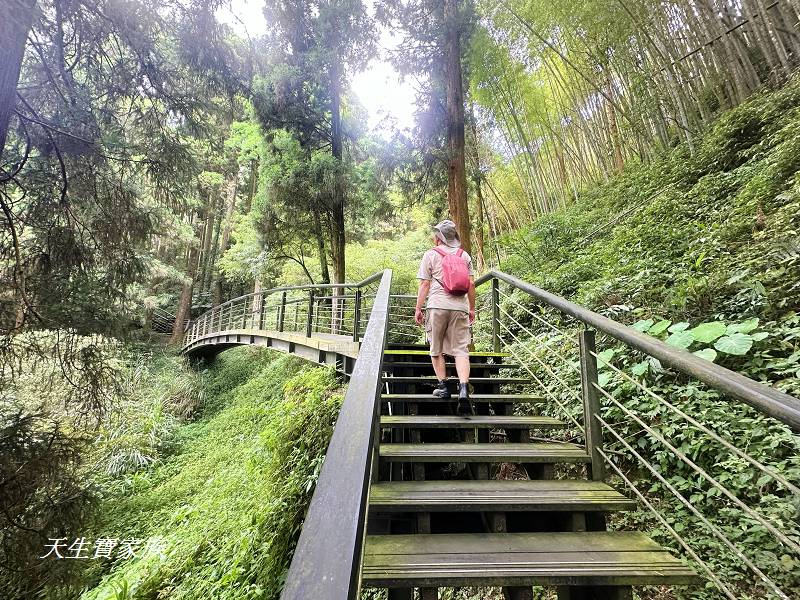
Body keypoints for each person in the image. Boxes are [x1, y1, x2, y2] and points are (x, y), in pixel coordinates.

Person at [414, 219, 476, 415]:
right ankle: (464, 389)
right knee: (461, 350)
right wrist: (472, 309)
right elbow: (471, 285)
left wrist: (418, 308)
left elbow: (425, 284)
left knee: (436, 348)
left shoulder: (431, 255)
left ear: (438, 237)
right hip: (460, 308)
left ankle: (444, 387)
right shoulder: (464, 255)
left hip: (437, 306)